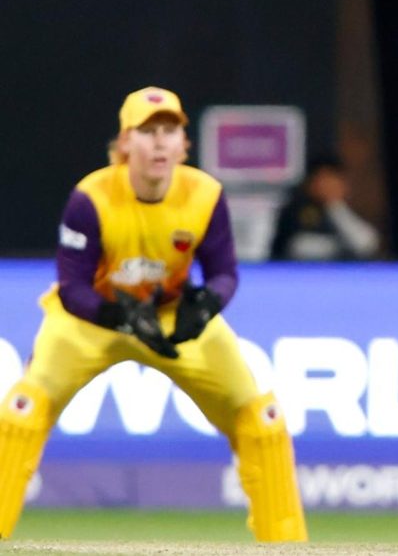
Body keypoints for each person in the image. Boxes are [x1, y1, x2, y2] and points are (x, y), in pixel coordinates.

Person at [0, 87, 306, 542]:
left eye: (169, 131)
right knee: (21, 412)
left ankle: (285, 545)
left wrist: (207, 305)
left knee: (262, 420)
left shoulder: (204, 195)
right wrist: (120, 316)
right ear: (125, 143)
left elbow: (224, 274)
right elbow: (72, 288)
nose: (160, 142)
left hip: (169, 318)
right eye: (147, 132)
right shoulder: (92, 197)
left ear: (185, 143)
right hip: (91, 322)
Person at [269, 155, 380, 261]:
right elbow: (297, 246)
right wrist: (342, 247)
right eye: (322, 180)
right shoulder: (295, 208)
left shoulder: (342, 208)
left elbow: (366, 244)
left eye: (333, 180)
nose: (327, 186)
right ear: (311, 183)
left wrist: (335, 206)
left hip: (346, 271)